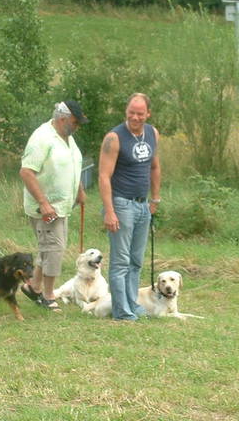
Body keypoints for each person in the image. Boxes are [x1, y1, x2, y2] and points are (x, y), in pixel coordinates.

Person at [19, 100, 88, 312]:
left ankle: (33, 286)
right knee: (54, 250)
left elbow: (72, 165)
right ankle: (48, 295)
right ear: (62, 119)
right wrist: (43, 203)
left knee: (49, 248)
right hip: (46, 208)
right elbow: (26, 172)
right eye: (75, 122)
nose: (77, 127)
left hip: (62, 205)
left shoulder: (67, 137)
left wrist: (79, 190)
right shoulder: (42, 139)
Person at [98, 93, 161, 321]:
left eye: (140, 113)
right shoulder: (114, 138)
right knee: (121, 261)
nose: (135, 117)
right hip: (121, 204)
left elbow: (154, 167)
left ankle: (132, 303)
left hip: (143, 205)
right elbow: (104, 176)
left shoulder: (152, 133)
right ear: (126, 111)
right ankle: (122, 311)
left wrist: (155, 199)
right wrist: (110, 211)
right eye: (131, 113)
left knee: (136, 260)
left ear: (148, 114)